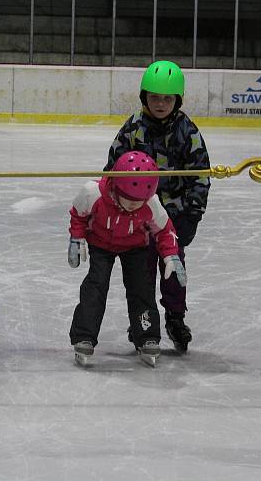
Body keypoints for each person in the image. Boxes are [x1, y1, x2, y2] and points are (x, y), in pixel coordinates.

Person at [105, 60, 210, 353]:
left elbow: (200, 174)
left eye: (167, 98)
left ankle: (176, 317)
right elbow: (112, 170)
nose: (161, 104)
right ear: (144, 98)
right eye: (154, 97)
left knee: (173, 270)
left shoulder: (187, 131)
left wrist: (193, 213)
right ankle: (143, 318)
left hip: (173, 218)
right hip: (136, 215)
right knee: (142, 272)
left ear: (177, 100)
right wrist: (113, 208)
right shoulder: (133, 129)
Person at [68, 151, 186, 368]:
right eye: (129, 198)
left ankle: (147, 335)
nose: (134, 205)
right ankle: (84, 336)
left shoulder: (151, 203)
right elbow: (78, 214)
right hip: (101, 245)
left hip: (135, 247)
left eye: (139, 201)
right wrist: (77, 239)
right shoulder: (93, 193)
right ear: (115, 186)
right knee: (96, 286)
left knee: (142, 288)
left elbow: (164, 230)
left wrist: (171, 255)